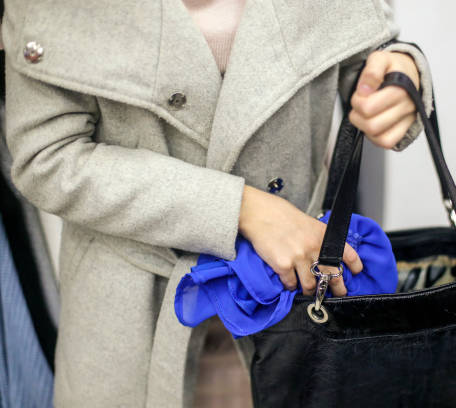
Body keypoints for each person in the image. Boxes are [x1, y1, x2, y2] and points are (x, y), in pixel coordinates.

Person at [1, 0, 433, 406]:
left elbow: (366, 54)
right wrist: (242, 209)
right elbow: (47, 156)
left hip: (297, 305)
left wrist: (401, 75)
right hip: (132, 319)